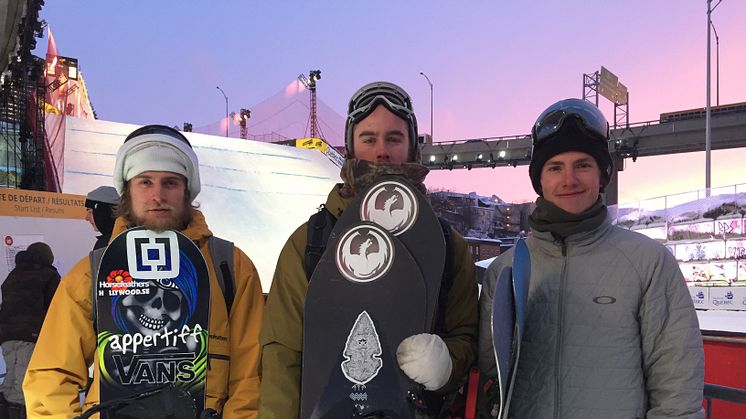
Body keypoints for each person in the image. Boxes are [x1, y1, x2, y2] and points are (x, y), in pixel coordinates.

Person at [259, 81, 478, 418]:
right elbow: (283, 356)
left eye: (394, 138)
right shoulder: (311, 243)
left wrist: (447, 363)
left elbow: (466, 336)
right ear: (350, 148)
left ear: (412, 148)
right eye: (368, 138)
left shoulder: (447, 246)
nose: (381, 152)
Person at [478, 98, 704, 418]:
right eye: (555, 167)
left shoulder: (648, 263)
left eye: (583, 164)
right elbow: (491, 374)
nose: (569, 179)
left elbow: (676, 389)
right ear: (539, 180)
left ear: (602, 174)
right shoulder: (505, 269)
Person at [23, 125, 264, 418]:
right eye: (145, 182)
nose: (157, 196)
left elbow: (251, 379)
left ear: (188, 189)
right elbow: (51, 375)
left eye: (171, 183)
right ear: (127, 189)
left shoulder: (230, 266)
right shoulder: (93, 271)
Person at [0, 243, 59, 419]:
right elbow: (55, 308)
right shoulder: (49, 275)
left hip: (7, 336)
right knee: (22, 384)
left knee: (10, 379)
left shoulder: (14, 275)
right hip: (31, 335)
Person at [84, 185, 119, 249]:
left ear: (104, 213)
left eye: (90, 212)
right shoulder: (132, 237)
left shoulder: (106, 245)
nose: (86, 218)